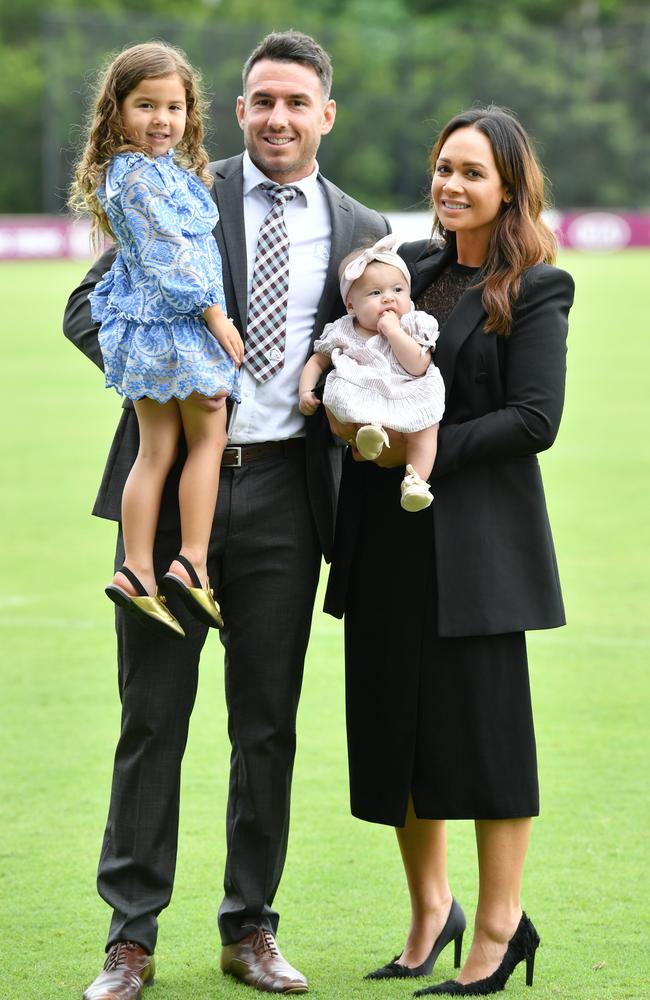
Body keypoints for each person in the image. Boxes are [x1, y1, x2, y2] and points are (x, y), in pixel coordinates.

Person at [63, 31, 389, 1000]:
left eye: (295, 102)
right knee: (151, 720)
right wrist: (151, 375)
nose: (277, 117)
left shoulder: (362, 221)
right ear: (236, 111)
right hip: (166, 500)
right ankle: (130, 938)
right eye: (261, 101)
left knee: (266, 727)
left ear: (324, 113)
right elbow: (89, 306)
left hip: (290, 498)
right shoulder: (177, 183)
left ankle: (249, 926)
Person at [324, 106, 574, 996]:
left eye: (471, 171)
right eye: (442, 167)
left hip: (476, 552)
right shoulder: (409, 268)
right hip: (388, 541)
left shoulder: (537, 286)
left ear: (508, 185)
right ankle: (433, 912)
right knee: (399, 736)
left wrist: (417, 447)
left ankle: (503, 928)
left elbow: (535, 420)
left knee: (488, 743)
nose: (450, 185)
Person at [69, 42, 243, 638]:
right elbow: (174, 258)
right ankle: (192, 560)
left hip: (148, 332)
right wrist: (216, 317)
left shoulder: (147, 171)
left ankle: (137, 570)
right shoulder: (141, 177)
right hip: (177, 327)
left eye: (174, 106)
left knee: (156, 449)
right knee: (210, 431)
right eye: (146, 106)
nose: (162, 120)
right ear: (116, 110)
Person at [298, 235, 444, 512]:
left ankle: (415, 481)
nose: (389, 297)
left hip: (408, 390)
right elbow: (317, 362)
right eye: (375, 293)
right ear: (351, 305)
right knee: (343, 387)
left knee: (427, 426)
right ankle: (369, 434)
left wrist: (393, 331)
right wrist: (305, 391)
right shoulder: (344, 329)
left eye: (398, 290)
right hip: (363, 393)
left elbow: (418, 365)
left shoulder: (414, 323)